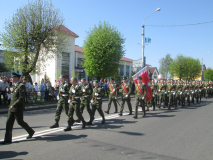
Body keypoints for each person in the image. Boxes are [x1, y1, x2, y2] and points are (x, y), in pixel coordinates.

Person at [0, 71, 35, 145]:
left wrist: (14, 105)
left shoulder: (21, 86)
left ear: (17, 78)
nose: (11, 78)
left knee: (20, 122)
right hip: (11, 107)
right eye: (12, 77)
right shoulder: (15, 85)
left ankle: (31, 131)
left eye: (13, 77)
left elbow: (21, 98)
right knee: (8, 123)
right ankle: (7, 139)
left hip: (17, 108)